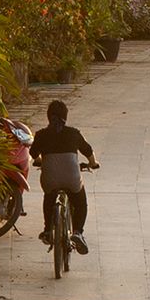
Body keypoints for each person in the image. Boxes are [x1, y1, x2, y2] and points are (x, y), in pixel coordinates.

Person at [29, 99, 97, 253]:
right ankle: (78, 232)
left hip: (50, 178)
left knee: (49, 197)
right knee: (80, 203)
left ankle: (47, 230)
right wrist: (93, 163)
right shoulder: (73, 133)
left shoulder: (41, 134)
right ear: (65, 116)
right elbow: (87, 150)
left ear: (48, 117)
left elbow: (33, 153)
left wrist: (40, 161)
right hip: (72, 177)